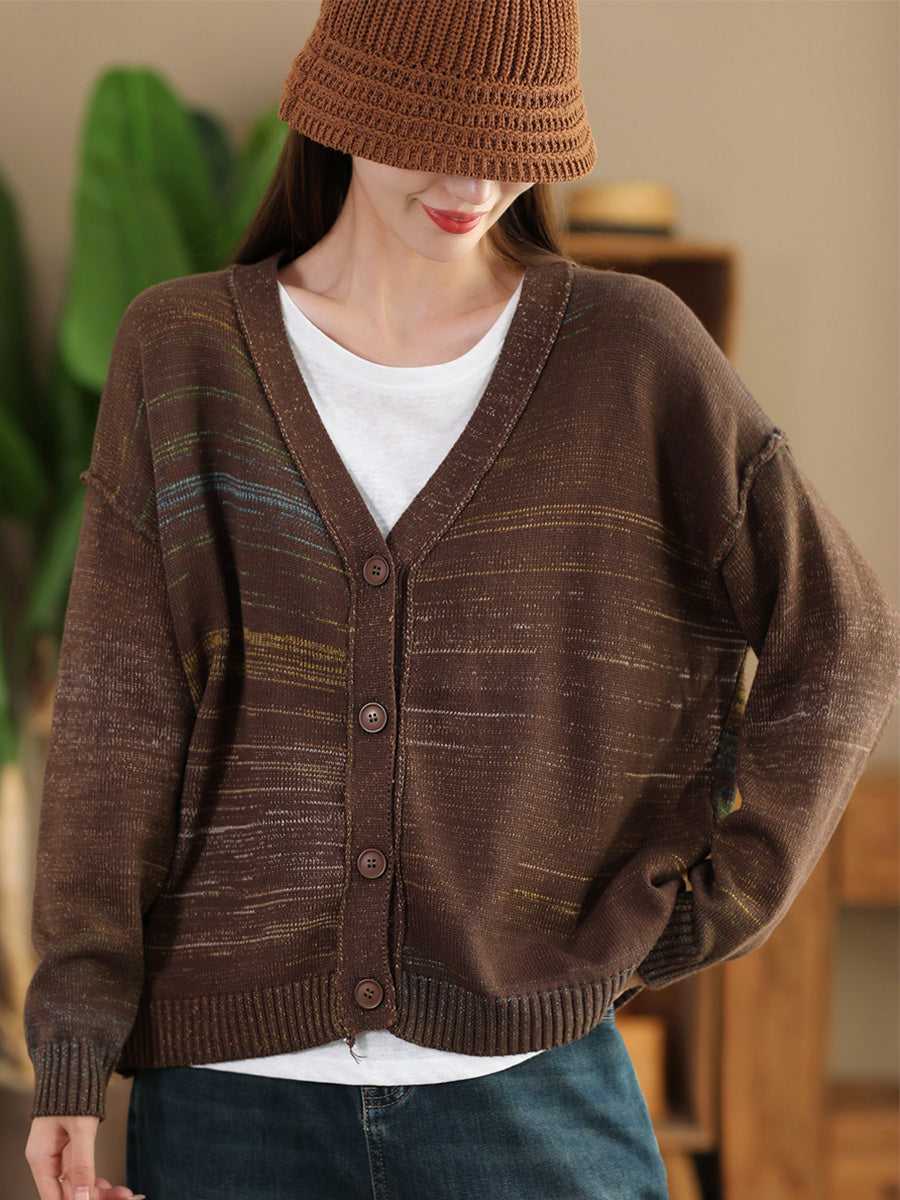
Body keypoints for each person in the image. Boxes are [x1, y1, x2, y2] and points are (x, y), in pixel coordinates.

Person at [23, 1, 900, 1198]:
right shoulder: (183, 353)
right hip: (232, 1110)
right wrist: (73, 1049)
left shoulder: (631, 353)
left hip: (531, 1094)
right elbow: (119, 722)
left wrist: (716, 900)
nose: (477, 183)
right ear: (346, 105)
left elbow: (844, 638)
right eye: (438, 138)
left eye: (513, 144)